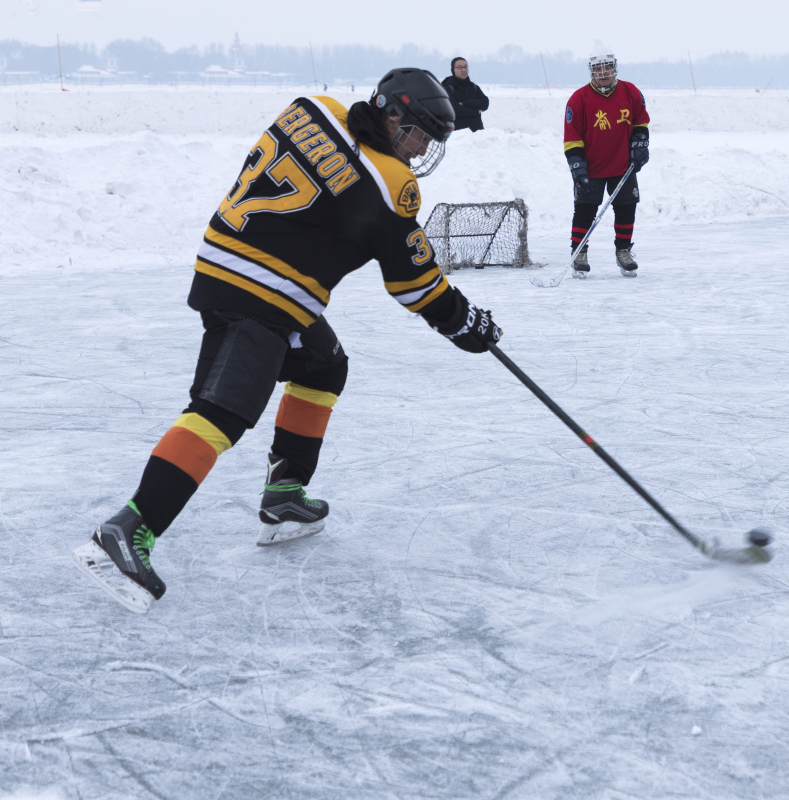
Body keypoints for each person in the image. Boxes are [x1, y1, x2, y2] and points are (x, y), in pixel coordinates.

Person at [71, 68, 503, 613]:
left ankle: (284, 496)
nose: (420, 151)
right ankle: (128, 530)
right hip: (261, 293)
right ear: (392, 114)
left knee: (323, 366)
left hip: (230, 263)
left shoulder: (315, 106)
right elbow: (416, 285)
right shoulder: (391, 183)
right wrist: (465, 324)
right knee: (220, 413)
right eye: (418, 135)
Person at [563, 52, 650, 278]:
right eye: (598, 69)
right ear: (591, 72)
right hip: (591, 168)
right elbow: (572, 137)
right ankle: (579, 252)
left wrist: (640, 145)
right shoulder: (578, 99)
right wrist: (576, 165)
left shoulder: (630, 92)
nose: (603, 73)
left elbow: (641, 120)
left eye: (607, 68)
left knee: (627, 208)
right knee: (584, 209)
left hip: (622, 165)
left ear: (615, 69)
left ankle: (623, 251)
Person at [441, 57, 489, 132]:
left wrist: (465, 103)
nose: (463, 70)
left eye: (465, 67)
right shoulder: (447, 88)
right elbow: (455, 110)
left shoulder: (474, 87)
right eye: (460, 67)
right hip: (459, 136)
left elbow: (485, 103)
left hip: (478, 135)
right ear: (453, 70)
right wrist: (476, 112)